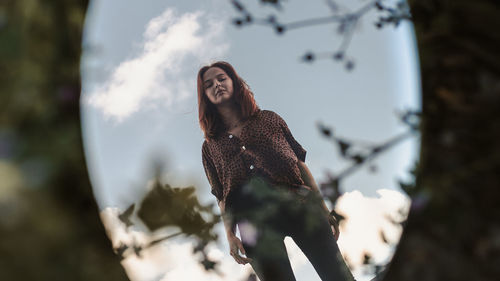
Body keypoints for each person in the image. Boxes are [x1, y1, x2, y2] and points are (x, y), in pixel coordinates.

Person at [198, 61, 354, 281]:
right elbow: (222, 194)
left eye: (222, 78)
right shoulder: (210, 147)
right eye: (209, 84)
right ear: (205, 95)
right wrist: (230, 234)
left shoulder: (269, 119)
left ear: (234, 82)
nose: (217, 85)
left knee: (338, 276)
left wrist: (322, 207)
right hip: (252, 222)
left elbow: (299, 164)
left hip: (298, 203)